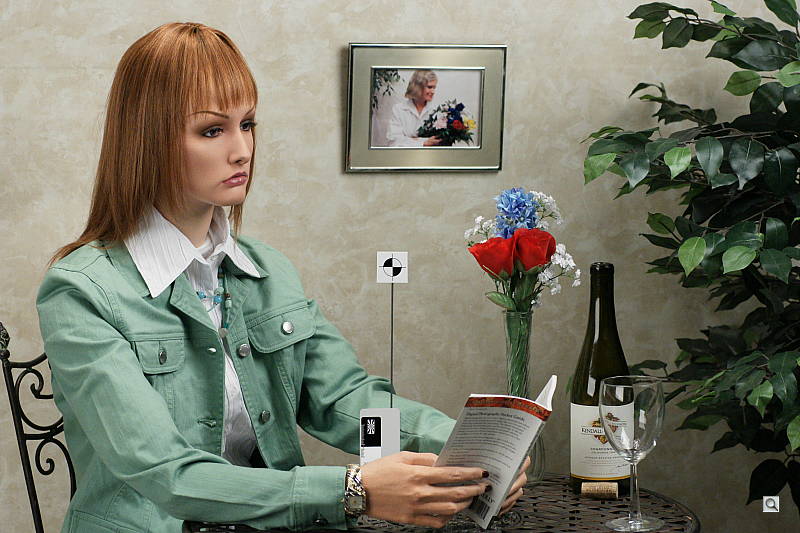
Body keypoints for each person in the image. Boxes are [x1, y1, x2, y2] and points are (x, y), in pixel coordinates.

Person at [34, 22, 529, 533]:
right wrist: (353, 491)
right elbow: (166, 473)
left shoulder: (268, 271)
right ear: (147, 140)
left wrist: (466, 448)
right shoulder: (81, 292)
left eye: (247, 124)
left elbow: (344, 400)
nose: (242, 150)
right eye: (211, 130)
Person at [385, 70, 443, 147]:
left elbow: (439, 141)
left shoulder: (437, 110)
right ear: (417, 87)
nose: (433, 91)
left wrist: (410, 140)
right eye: (429, 87)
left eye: (434, 87)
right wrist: (424, 142)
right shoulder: (399, 109)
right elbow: (393, 142)